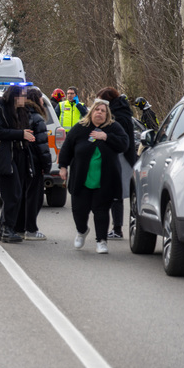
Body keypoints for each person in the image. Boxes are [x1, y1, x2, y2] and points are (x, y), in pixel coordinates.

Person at [58, 99, 129, 254]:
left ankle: (101, 241)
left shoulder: (114, 127)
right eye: (97, 109)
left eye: (103, 111)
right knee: (79, 210)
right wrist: (63, 167)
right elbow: (67, 148)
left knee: (101, 210)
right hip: (81, 178)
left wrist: (106, 137)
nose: (99, 113)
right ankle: (82, 231)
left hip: (105, 180)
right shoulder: (80, 127)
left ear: (107, 114)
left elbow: (124, 144)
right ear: (91, 112)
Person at [0, 84, 34, 243]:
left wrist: (26, 135)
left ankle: (7, 228)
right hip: (5, 156)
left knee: (17, 193)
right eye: (23, 95)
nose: (25, 98)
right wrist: (21, 134)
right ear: (15, 96)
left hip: (19, 155)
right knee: (12, 193)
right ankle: (7, 228)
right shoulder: (0, 108)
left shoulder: (22, 111)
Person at [98, 88, 137, 239]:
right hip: (122, 156)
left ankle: (117, 228)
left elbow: (121, 141)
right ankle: (116, 228)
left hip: (120, 157)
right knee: (116, 194)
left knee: (116, 195)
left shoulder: (118, 117)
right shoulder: (122, 112)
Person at [15, 87, 53, 240]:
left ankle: (18, 227)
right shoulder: (37, 117)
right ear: (37, 99)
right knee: (34, 197)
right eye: (41, 98)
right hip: (34, 163)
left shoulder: (19, 115)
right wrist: (46, 166)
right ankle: (31, 229)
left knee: (21, 195)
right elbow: (42, 145)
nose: (43, 101)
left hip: (20, 162)